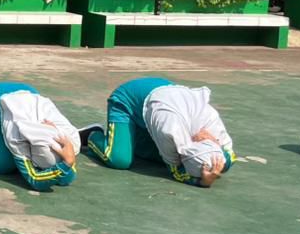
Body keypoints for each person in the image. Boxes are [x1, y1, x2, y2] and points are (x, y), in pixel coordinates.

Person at [85, 77, 233, 187]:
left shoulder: (215, 130)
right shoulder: (170, 131)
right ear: (184, 152)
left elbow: (230, 157)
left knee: (161, 158)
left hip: (166, 99)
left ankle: (129, 137)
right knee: (119, 159)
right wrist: (201, 182)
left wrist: (219, 156)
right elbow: (175, 170)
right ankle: (93, 136)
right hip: (129, 99)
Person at [0, 82, 79, 190]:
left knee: (65, 178)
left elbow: (68, 176)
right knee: (3, 165)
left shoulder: (67, 138)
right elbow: (34, 179)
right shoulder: (17, 138)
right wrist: (67, 164)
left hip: (28, 93)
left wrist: (67, 161)